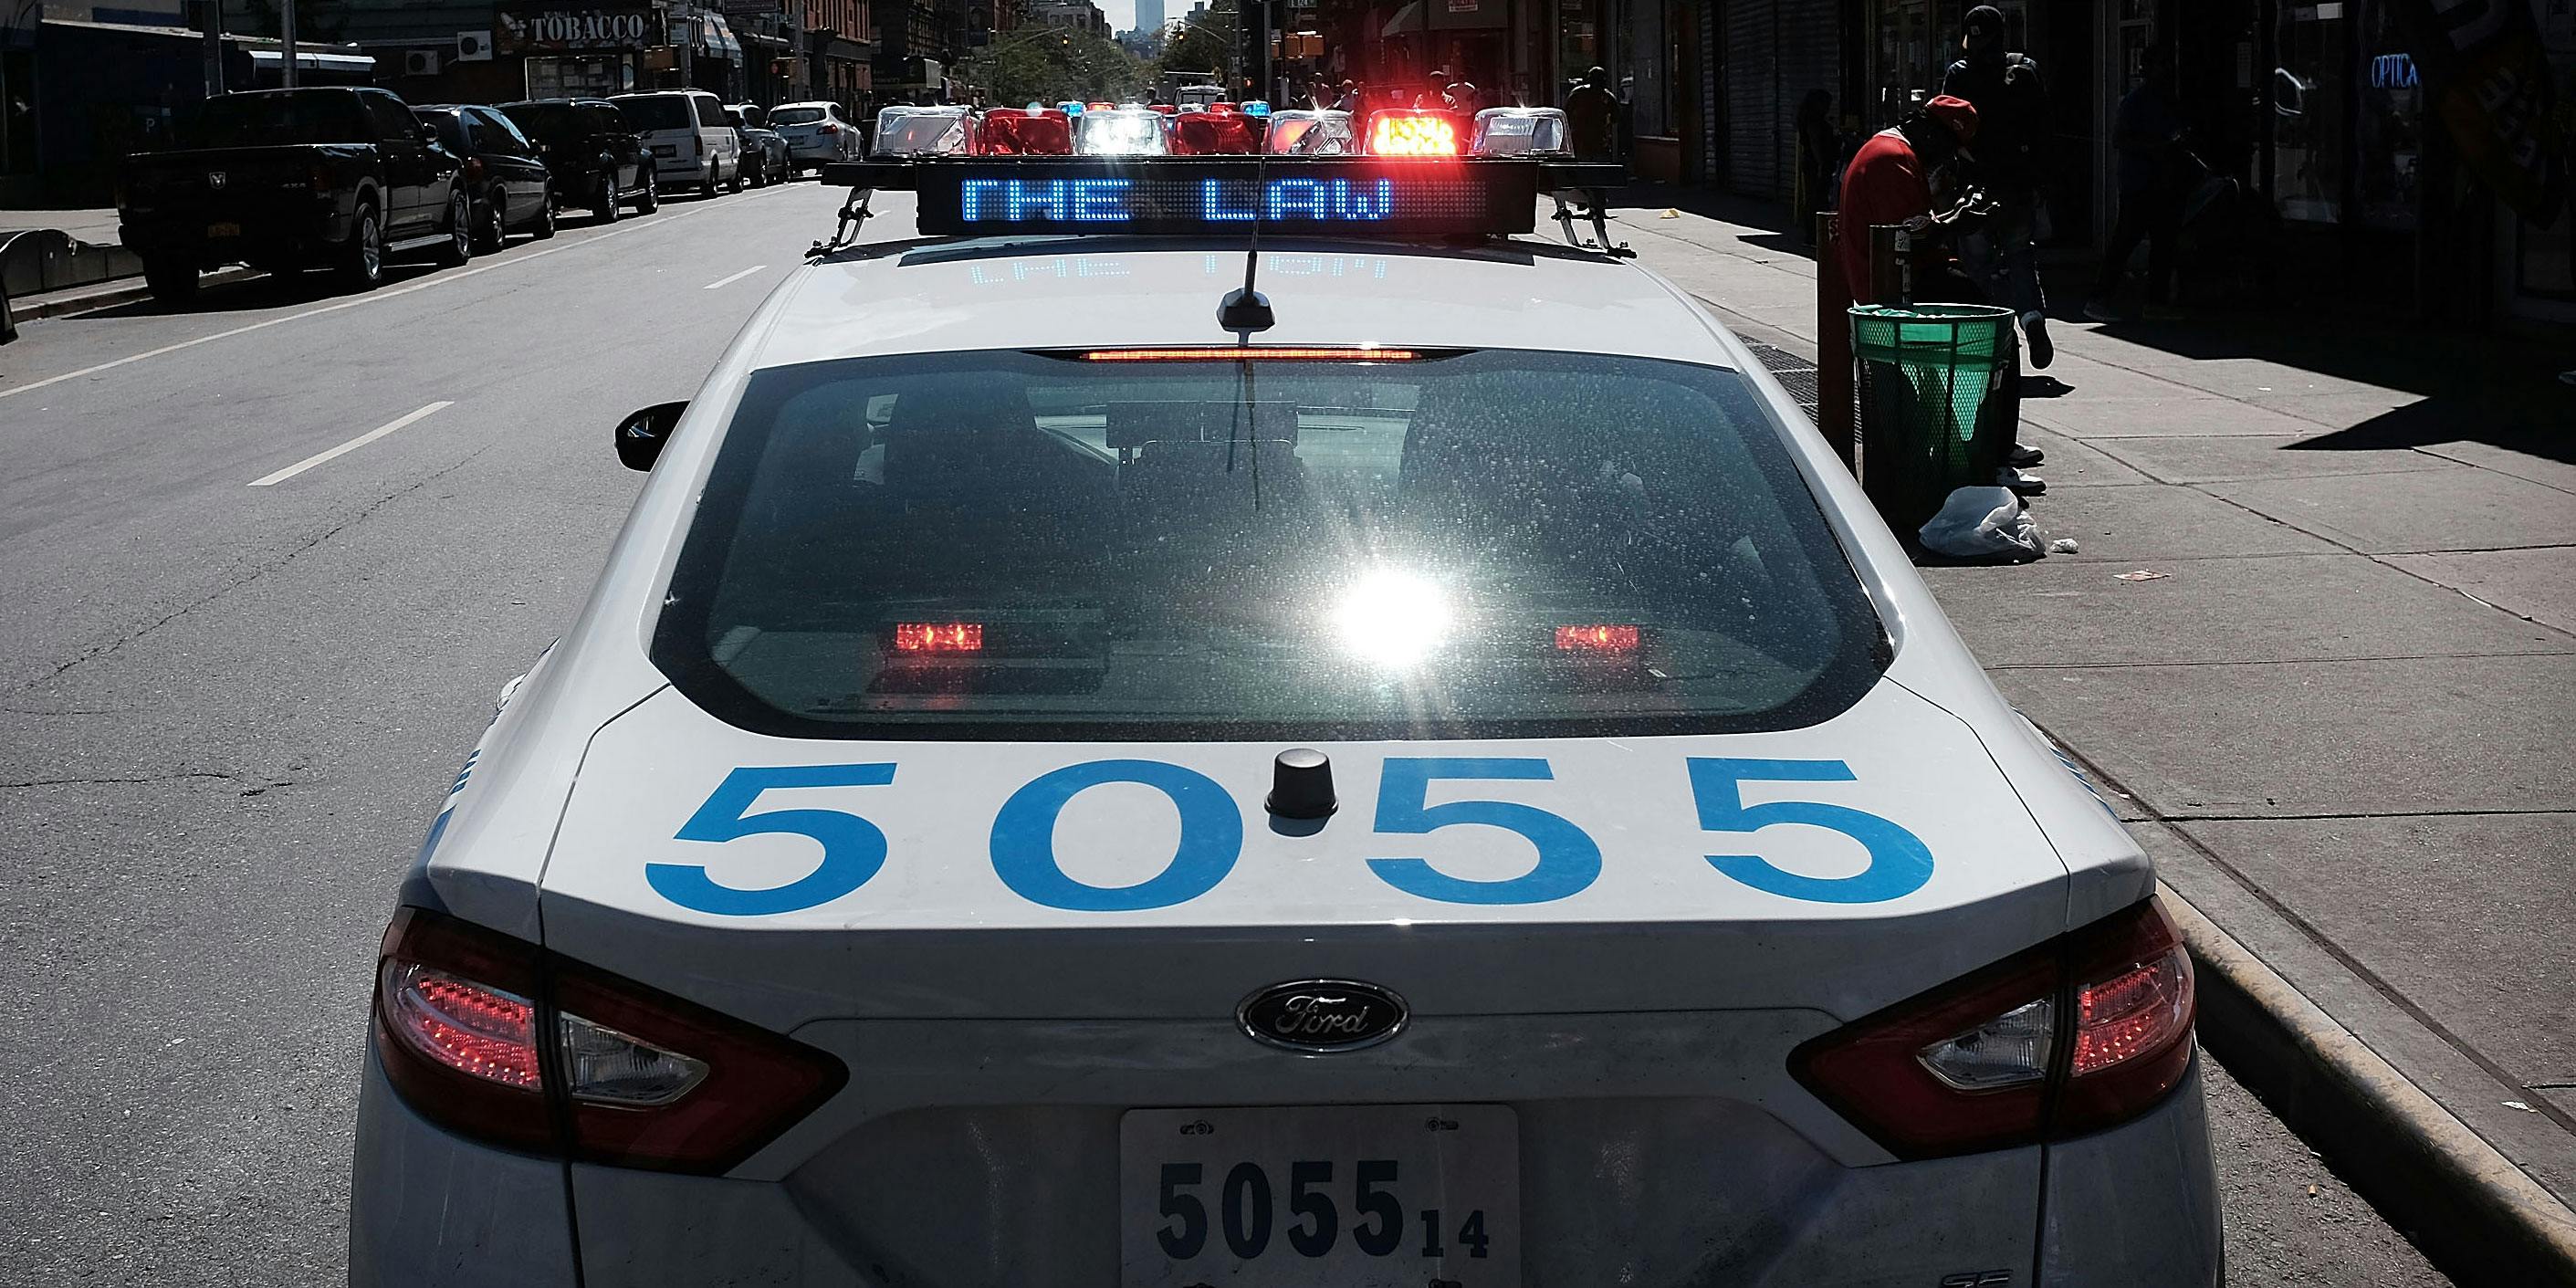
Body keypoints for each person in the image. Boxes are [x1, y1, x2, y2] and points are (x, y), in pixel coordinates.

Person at [1941, 5, 2057, 367]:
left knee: (1978, 266)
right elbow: (2043, 131)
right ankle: (2032, 321)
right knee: (2020, 257)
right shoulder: (2025, 70)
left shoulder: (1959, 74)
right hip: (2018, 186)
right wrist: (2041, 181)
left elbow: (1944, 128)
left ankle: (1989, 341)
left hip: (1973, 188)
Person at [1833, 95, 1979, 306]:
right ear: (1930, 134)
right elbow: (1905, 240)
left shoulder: (1891, 149)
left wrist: (1954, 213)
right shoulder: (1893, 159)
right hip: (1889, 287)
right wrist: (1955, 224)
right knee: (1982, 314)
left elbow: (1912, 223)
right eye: (1947, 148)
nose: (1946, 158)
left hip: (1895, 278)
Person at [2086, 45, 2189, 320]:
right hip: (2139, 184)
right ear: (2147, 69)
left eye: (2168, 65)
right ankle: (2099, 298)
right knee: (2124, 242)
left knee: (2163, 245)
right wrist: (2155, 147)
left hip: (2164, 183)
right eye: (2160, 65)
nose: (2166, 71)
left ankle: (2155, 303)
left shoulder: (2169, 100)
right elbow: (2120, 139)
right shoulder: (2136, 101)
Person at [1793, 90, 1839, 244]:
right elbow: (1815, 143)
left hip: (1812, 163)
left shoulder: (1808, 119)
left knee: (1815, 199)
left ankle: (1814, 234)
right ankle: (1814, 235)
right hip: (1816, 164)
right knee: (1817, 199)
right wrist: (1821, 164)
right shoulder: (1814, 121)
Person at [1565, 66, 1618, 161]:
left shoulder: (1606, 96)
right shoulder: (1578, 93)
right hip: (1582, 138)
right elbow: (1567, 113)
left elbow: (1615, 116)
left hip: (1596, 139)